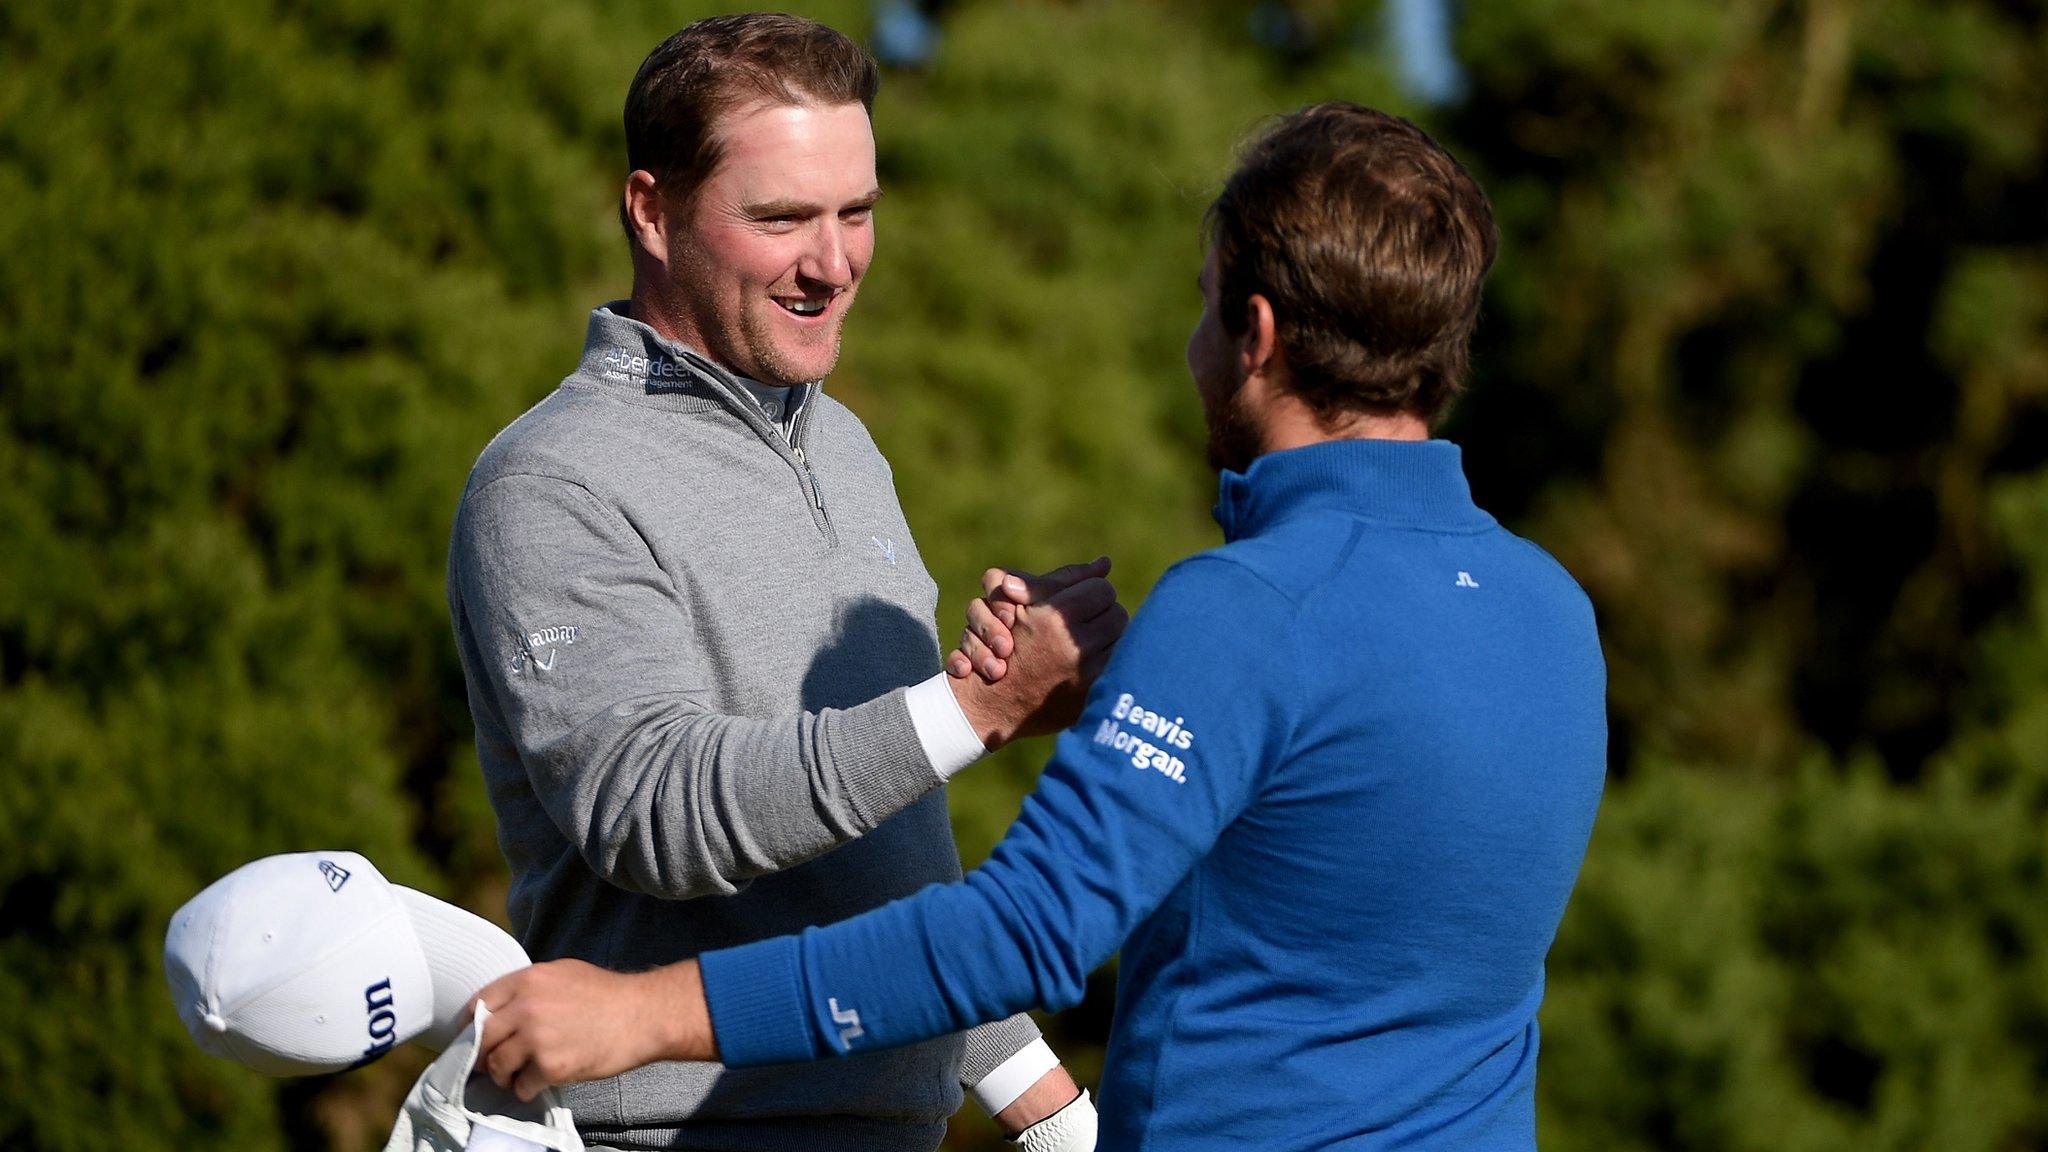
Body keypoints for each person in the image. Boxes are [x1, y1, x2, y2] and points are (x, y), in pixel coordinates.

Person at [467, 102, 1611, 1151]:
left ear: (1254, 332)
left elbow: (1023, 931)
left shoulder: (1246, 609)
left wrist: (639, 1011)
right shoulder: (1550, 610)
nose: (1190, 348)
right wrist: (1052, 1110)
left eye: (1204, 308)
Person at [443, 14, 1118, 1152]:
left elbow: (882, 861)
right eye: (782, 219)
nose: (834, 262)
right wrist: (970, 711)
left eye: (856, 213)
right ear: (649, 211)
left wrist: (1049, 1111)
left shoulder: (846, 447)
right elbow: (655, 815)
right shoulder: (548, 484)